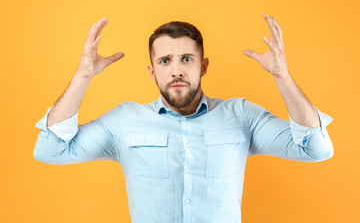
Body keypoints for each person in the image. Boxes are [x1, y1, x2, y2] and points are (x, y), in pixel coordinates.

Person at [33, 13, 334, 223]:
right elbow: (50, 150)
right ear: (152, 71)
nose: (176, 70)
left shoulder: (241, 115)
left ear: (203, 66)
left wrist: (282, 76)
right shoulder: (125, 121)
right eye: (165, 60)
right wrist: (83, 75)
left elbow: (316, 149)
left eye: (186, 59)